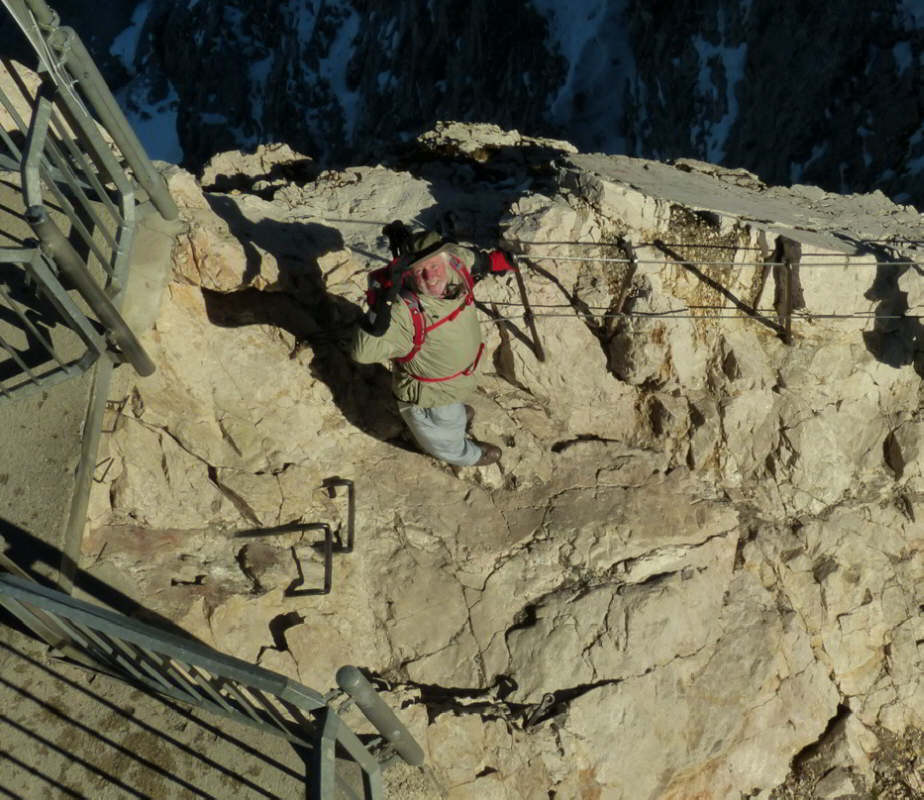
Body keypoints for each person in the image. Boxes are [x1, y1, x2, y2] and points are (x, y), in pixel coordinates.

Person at [350, 227, 517, 467]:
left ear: (446, 259)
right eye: (420, 271)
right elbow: (361, 352)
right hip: (430, 400)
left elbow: (476, 261)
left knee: (453, 412)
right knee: (443, 438)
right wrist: (383, 304)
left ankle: (457, 417)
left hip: (457, 381)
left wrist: (498, 261)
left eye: (435, 266)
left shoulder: (456, 263)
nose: (431, 276)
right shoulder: (403, 311)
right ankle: (465, 455)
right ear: (408, 275)